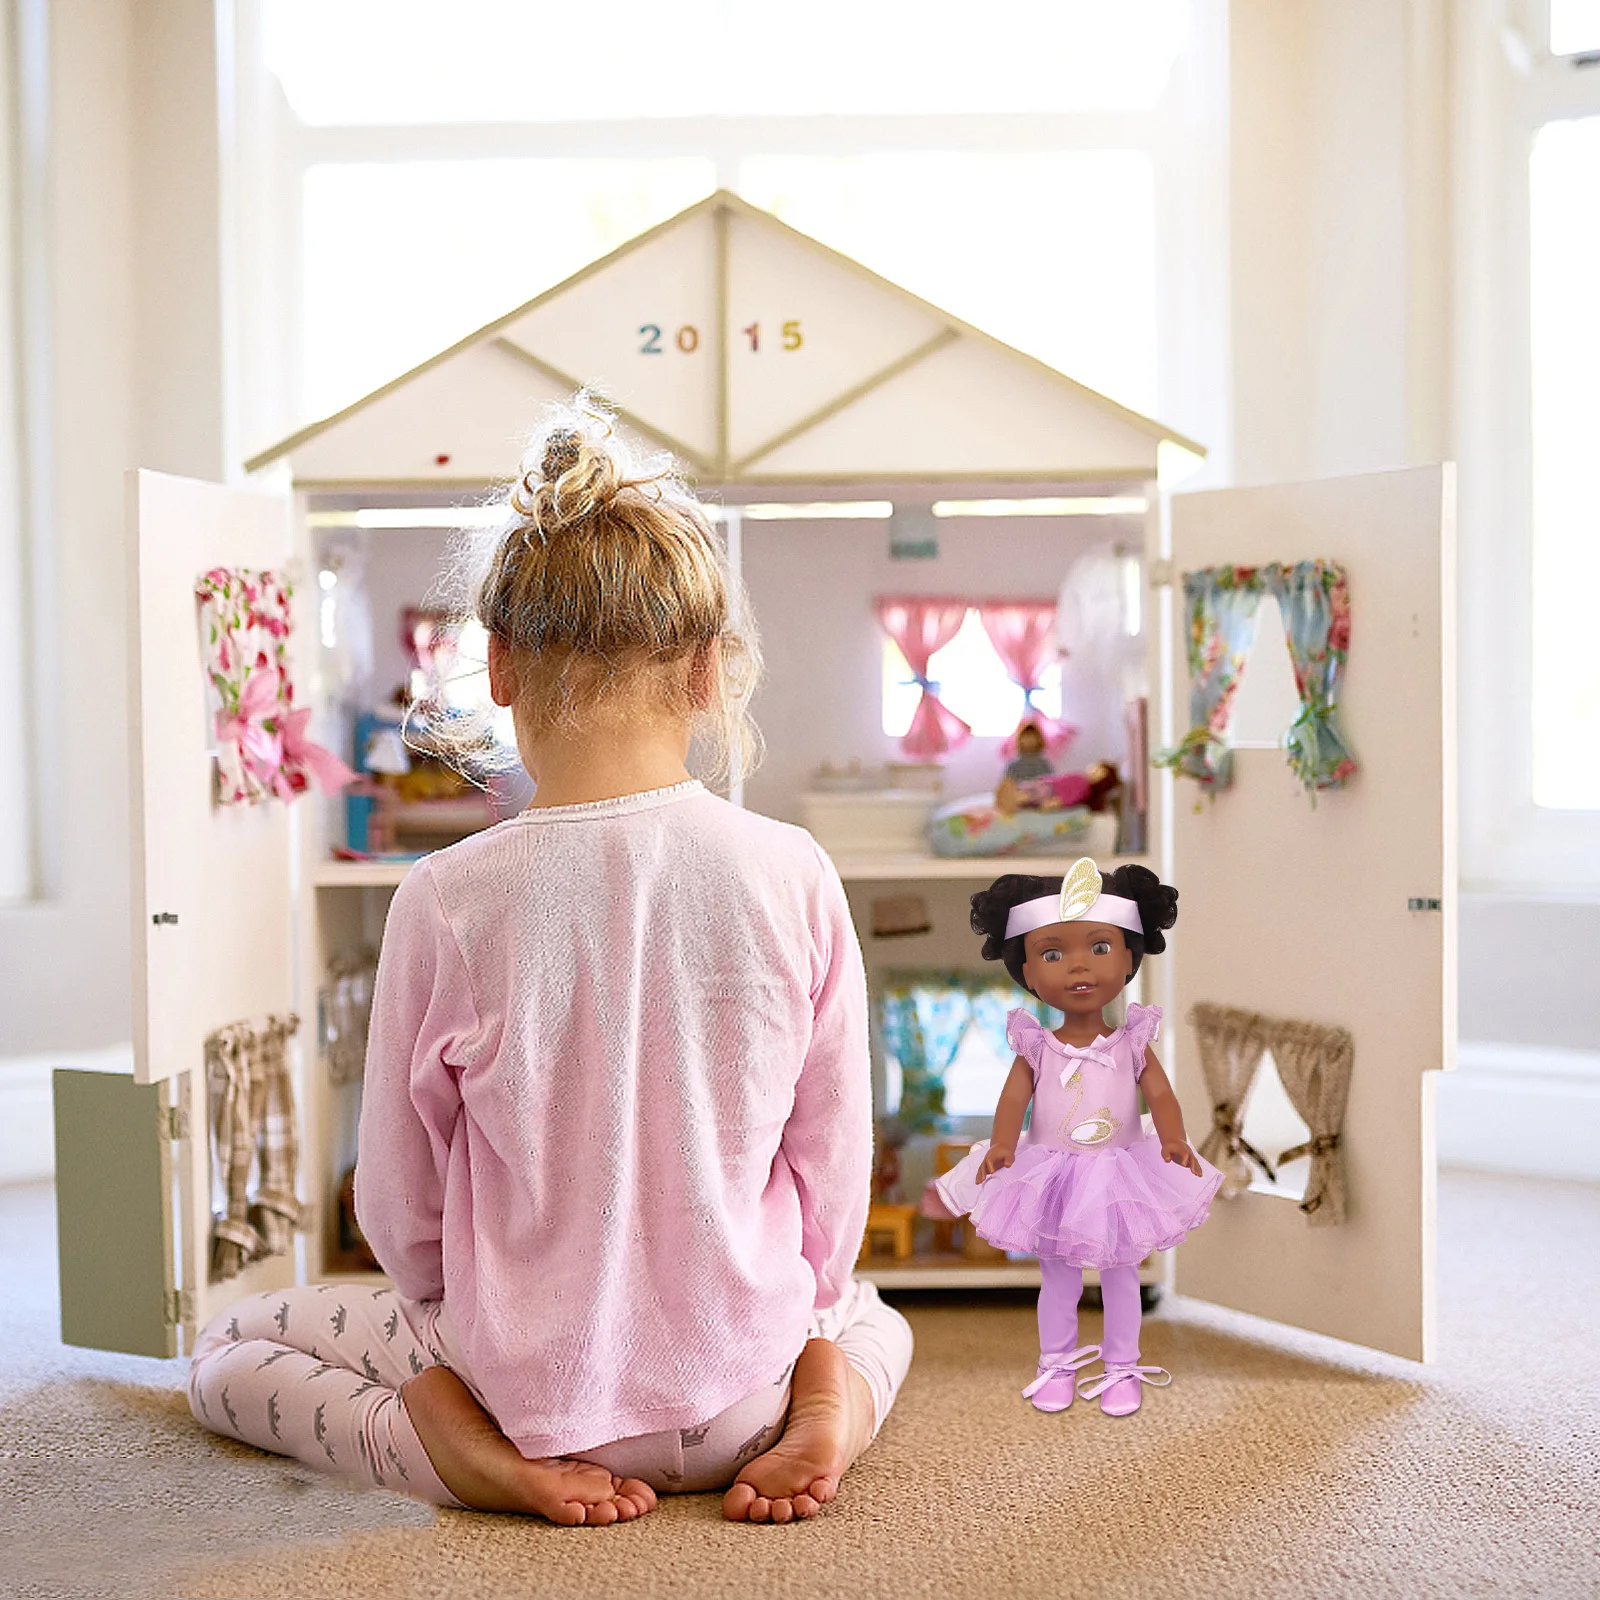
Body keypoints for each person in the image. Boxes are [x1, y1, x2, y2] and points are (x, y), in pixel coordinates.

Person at [187, 398, 913, 1525]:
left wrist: (438, 1308)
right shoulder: (795, 868)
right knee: (873, 1316)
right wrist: (803, 1312)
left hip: (520, 1391)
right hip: (746, 1395)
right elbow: (832, 1163)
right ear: (708, 671)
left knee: (227, 1347)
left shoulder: (446, 896)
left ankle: (451, 1448)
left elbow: (396, 1196)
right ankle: (829, 1408)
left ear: (501, 667)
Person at [931, 859, 1221, 1417]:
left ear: (1132, 958)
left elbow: (1158, 1094)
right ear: (1028, 974)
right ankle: (1056, 1363)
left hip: (1123, 1173)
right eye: (1052, 953)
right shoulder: (1037, 1046)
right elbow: (1013, 1101)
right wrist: (1001, 1145)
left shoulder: (1132, 1042)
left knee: (1121, 1275)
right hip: (1052, 1173)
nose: (1079, 966)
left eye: (1100, 947)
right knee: (1057, 1279)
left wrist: (1175, 1138)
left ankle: (1121, 1367)